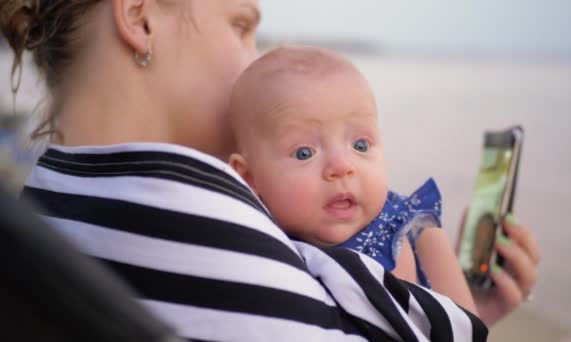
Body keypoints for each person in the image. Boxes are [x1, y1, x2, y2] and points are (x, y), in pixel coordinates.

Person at [0, 0, 537, 339]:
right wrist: (463, 318)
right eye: (240, 27)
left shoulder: (52, 199)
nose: (252, 62)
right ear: (140, 17)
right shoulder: (201, 225)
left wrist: (450, 311)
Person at [226, 45, 475, 311]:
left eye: (360, 146)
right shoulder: (260, 253)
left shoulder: (413, 229)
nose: (342, 166)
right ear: (250, 178)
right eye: (304, 153)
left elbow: (469, 328)